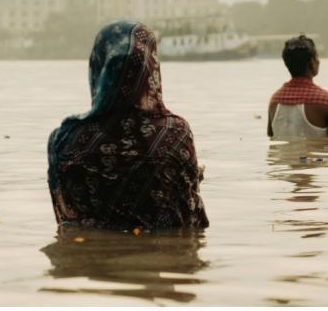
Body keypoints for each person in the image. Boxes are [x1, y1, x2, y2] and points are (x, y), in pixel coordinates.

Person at [47, 20, 209, 231]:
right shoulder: (176, 134)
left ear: (99, 66)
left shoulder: (63, 140)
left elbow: (66, 220)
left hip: (86, 260)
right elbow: (193, 222)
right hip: (161, 261)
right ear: (151, 67)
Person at [267, 35, 328, 138]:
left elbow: (271, 136)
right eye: (317, 57)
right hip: (313, 154)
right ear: (312, 63)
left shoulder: (275, 101)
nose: (319, 61)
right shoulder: (327, 102)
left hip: (283, 154)